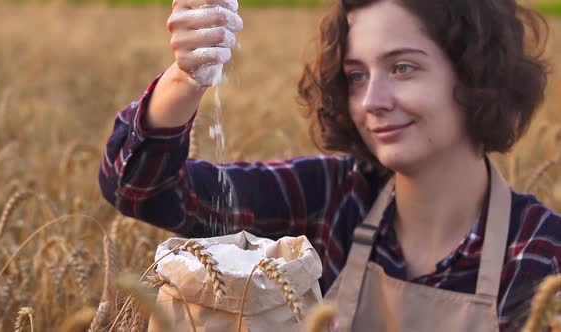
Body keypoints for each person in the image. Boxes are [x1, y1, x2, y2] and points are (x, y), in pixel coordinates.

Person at [98, 0, 561, 330]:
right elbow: (142, 188)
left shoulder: (539, 254)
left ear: (477, 75)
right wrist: (185, 77)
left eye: (403, 68)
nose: (372, 101)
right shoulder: (332, 198)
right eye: (356, 75)